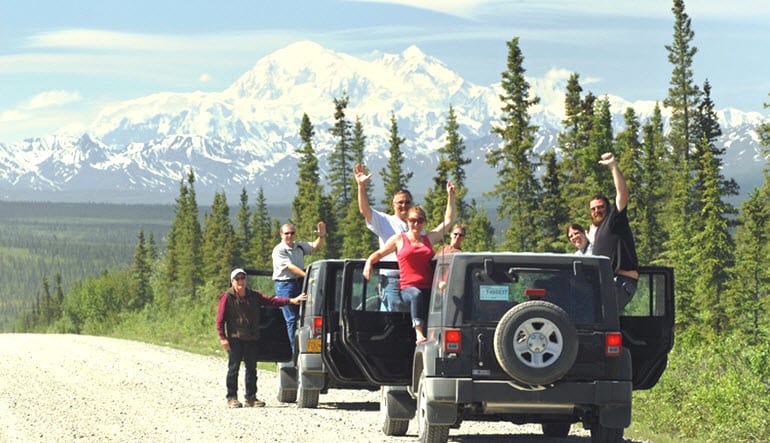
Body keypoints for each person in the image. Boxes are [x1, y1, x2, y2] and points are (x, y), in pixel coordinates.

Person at [354, 163, 455, 311]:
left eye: (407, 202)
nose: (404, 205)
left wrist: (451, 197)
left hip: (419, 282)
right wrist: (361, 186)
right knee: (394, 320)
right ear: (393, 204)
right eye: (400, 202)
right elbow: (365, 210)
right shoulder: (384, 221)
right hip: (392, 279)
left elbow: (447, 222)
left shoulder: (420, 233)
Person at [216, 268, 307, 408]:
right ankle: (232, 398)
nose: (241, 281)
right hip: (235, 338)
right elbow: (220, 320)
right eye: (237, 279)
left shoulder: (254, 296)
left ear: (246, 280)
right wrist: (223, 338)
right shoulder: (227, 297)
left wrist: (291, 300)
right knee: (233, 368)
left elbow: (272, 301)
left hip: (251, 337)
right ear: (232, 281)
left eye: (243, 278)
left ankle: (251, 398)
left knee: (251, 369)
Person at [363, 205, 454, 345]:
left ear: (424, 223)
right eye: (412, 220)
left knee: (444, 302)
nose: (416, 224)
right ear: (407, 221)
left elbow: (448, 221)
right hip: (408, 289)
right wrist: (369, 262)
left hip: (429, 286)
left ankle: (437, 337)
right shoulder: (399, 239)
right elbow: (380, 254)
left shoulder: (428, 239)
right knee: (416, 294)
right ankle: (418, 332)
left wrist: (451, 196)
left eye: (420, 220)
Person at [587, 152, 639, 309]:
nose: (597, 211)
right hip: (608, 283)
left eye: (600, 207)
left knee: (601, 319)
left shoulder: (615, 220)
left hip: (620, 283)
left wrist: (613, 166)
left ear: (608, 208)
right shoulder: (600, 229)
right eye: (593, 209)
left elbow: (622, 194)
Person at [272, 221, 326, 352]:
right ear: (281, 235)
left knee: (308, 316)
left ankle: (312, 348)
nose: (290, 236)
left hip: (300, 283)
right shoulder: (279, 250)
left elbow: (315, 247)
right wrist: (308, 276)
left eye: (292, 233)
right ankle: (295, 351)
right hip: (285, 285)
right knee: (291, 319)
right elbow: (290, 267)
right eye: (286, 233)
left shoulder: (299, 246)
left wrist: (322, 236)